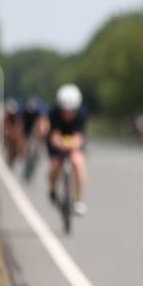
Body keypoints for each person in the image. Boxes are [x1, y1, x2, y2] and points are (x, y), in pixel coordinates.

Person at [47, 84, 89, 215]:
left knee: (78, 162)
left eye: (71, 111)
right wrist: (59, 143)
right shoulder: (53, 113)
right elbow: (54, 134)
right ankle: (52, 190)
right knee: (55, 165)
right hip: (58, 139)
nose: (67, 114)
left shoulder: (82, 113)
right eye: (64, 110)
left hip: (74, 139)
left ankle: (79, 199)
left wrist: (74, 144)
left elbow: (80, 135)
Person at [2, 98, 21, 167]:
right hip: (8, 134)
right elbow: (4, 127)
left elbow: (19, 126)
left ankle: (17, 153)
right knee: (7, 136)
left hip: (14, 134)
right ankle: (7, 149)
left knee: (19, 140)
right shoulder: (6, 117)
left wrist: (17, 134)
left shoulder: (17, 118)